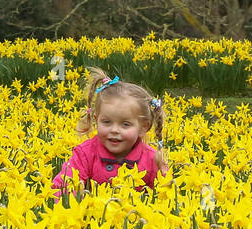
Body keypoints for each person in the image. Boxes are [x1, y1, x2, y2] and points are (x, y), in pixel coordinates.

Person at [50, 67, 168, 197]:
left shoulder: (152, 160)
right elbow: (62, 186)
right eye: (107, 122)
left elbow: (165, 196)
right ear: (97, 120)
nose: (114, 130)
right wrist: (74, 199)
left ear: (143, 128)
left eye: (125, 124)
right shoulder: (84, 154)